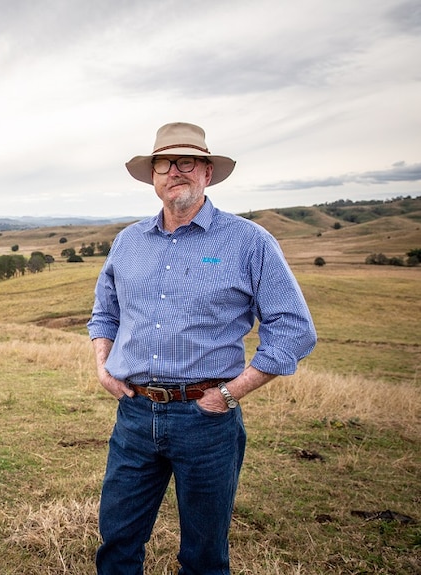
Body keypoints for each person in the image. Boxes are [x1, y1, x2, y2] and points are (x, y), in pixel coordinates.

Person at [87, 122, 316, 574]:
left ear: (207, 172)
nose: (175, 172)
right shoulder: (128, 243)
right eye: (163, 164)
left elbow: (294, 329)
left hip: (207, 419)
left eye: (186, 162)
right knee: (117, 540)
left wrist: (232, 393)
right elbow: (105, 313)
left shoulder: (249, 242)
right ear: (153, 177)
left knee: (204, 555)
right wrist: (103, 367)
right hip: (134, 413)